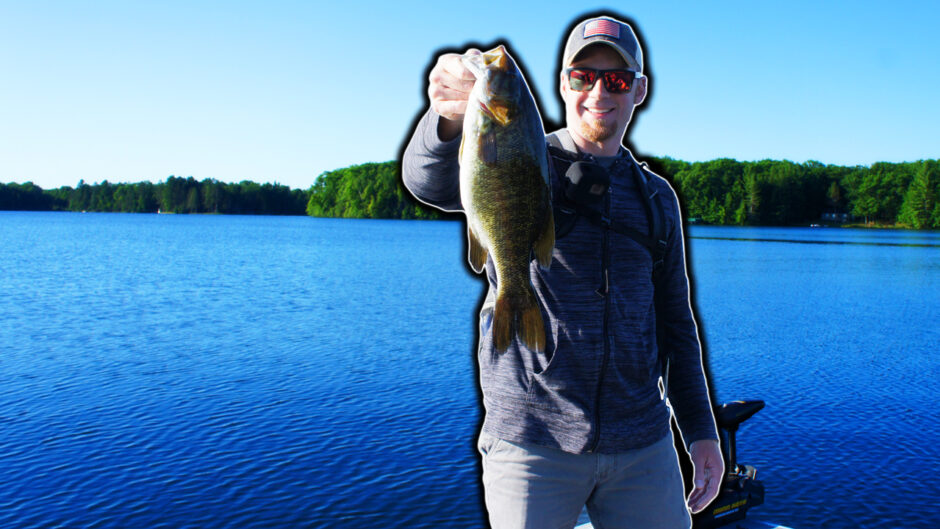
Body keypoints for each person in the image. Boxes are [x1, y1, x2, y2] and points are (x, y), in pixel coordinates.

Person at [402, 15, 723, 529]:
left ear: (639, 90)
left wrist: (701, 432)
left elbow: (677, 325)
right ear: (562, 83)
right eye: (583, 76)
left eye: (615, 79)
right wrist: (445, 120)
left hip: (642, 443)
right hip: (532, 441)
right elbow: (428, 181)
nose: (599, 90)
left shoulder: (658, 198)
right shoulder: (528, 156)